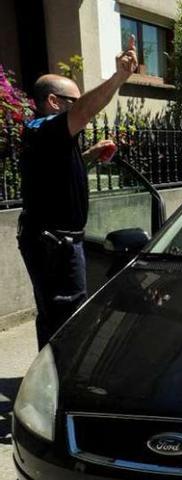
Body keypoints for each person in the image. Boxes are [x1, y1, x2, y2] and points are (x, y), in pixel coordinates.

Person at [17, 36, 139, 349]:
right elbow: (85, 110)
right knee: (66, 318)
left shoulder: (54, 141)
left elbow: (51, 177)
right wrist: (119, 77)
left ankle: (50, 378)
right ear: (54, 102)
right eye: (73, 100)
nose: (80, 106)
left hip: (56, 240)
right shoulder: (41, 129)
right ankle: (60, 386)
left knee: (54, 315)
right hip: (55, 243)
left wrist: (88, 156)